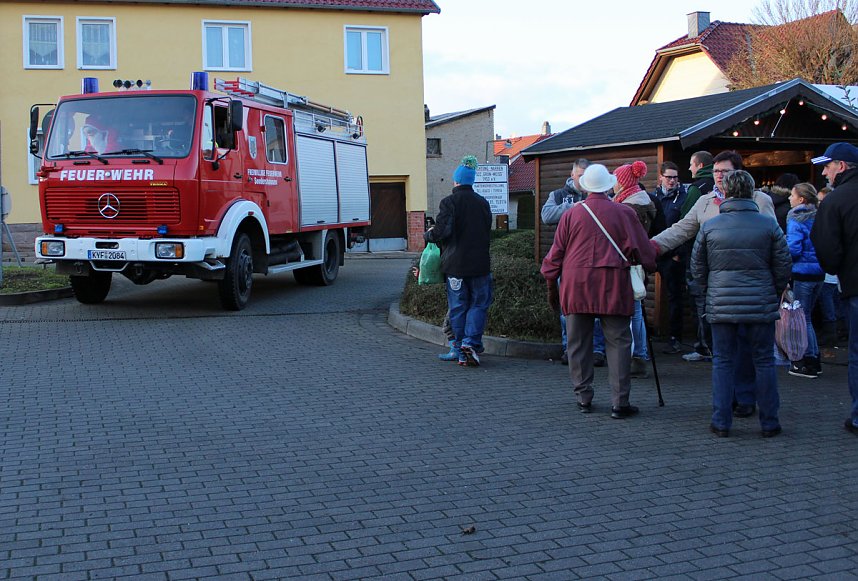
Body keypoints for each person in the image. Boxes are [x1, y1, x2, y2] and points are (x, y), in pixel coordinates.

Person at [652, 150, 776, 419]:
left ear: (739, 173)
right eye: (716, 171)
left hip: (752, 287)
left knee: (746, 347)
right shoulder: (707, 202)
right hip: (718, 287)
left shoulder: (760, 200)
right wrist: (651, 246)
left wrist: (776, 286)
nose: (719, 176)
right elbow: (682, 229)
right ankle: (727, 400)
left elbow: (775, 244)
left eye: (725, 171)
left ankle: (744, 398)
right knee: (723, 350)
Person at [542, 164, 657, 418]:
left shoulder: (571, 215)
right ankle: (620, 402)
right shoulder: (625, 213)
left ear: (585, 186)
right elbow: (644, 252)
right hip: (613, 284)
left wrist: (552, 286)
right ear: (608, 185)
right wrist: (648, 266)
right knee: (618, 342)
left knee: (577, 343)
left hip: (576, 285)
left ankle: (583, 397)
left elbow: (555, 255)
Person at [691, 170, 791, 438]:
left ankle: (721, 421)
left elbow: (697, 268)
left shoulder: (711, 226)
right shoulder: (768, 225)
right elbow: (783, 265)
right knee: (764, 362)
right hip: (760, 303)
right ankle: (769, 422)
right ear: (751, 191)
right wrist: (775, 291)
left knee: (722, 362)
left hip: (721, 303)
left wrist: (708, 292)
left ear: (726, 192)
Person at [809, 142, 858, 435]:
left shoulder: (837, 200)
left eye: (826, 166)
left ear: (841, 166)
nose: (824, 172)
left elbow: (826, 246)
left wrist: (837, 268)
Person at [425, 155, 493, 367]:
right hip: (481, 265)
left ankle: (457, 348)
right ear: (471, 181)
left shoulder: (449, 202)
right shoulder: (483, 203)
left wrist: (428, 235)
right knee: (479, 304)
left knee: (458, 306)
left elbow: (442, 232)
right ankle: (471, 344)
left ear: (456, 181)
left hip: (456, 266)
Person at [540, 159, 598, 366]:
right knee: (568, 309)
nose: (583, 179)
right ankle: (569, 349)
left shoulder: (600, 193)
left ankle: (597, 350)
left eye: (587, 175)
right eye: (579, 175)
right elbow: (546, 216)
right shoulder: (558, 195)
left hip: (595, 261)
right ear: (572, 175)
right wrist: (576, 208)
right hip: (569, 262)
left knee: (596, 308)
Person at [613, 161, 655, 378]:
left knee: (634, 312)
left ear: (623, 183)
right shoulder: (643, 200)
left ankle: (637, 355)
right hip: (637, 263)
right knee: (637, 309)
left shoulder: (629, 208)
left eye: (616, 180)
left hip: (629, 264)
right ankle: (640, 354)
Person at [785, 182, 824, 378]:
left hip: (802, 272)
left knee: (803, 318)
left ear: (801, 199)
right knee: (808, 317)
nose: (789, 198)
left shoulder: (796, 218)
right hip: (819, 272)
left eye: (792, 195)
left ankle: (808, 362)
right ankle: (815, 358)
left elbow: (793, 249)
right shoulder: (820, 217)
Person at [654, 161, 689, 354]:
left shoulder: (683, 198)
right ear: (661, 177)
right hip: (655, 252)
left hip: (673, 255)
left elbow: (687, 227)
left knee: (674, 296)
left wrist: (678, 254)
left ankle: (675, 337)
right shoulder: (655, 197)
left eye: (675, 177)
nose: (672, 181)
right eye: (669, 177)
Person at [815, 187, 844, 346]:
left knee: (829, 302)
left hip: (827, 271)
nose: (819, 204)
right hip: (826, 271)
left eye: (821, 200)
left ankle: (833, 333)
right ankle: (838, 331)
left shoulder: (827, 217)